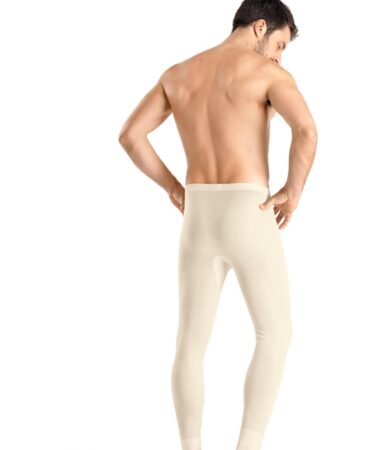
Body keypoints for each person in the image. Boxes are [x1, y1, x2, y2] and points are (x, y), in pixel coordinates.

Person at [118, 0, 318, 448]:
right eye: (281, 45)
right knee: (275, 333)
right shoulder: (266, 74)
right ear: (260, 27)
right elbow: (306, 130)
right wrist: (293, 191)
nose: (279, 57)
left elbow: (131, 136)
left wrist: (173, 188)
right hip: (248, 209)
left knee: (190, 341)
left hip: (198, 216)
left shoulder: (178, 74)